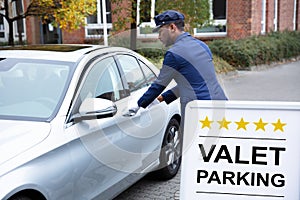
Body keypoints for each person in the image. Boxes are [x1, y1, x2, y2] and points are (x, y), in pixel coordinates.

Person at [133, 10, 227, 125]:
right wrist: (162, 98)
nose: (158, 37)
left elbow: (159, 85)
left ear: (172, 27)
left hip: (199, 113)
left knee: (189, 143)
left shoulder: (174, 54)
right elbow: (193, 83)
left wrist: (139, 105)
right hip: (221, 107)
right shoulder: (202, 45)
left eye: (161, 31)